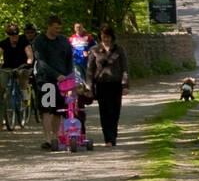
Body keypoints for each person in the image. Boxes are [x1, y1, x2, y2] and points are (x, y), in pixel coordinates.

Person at [30, 15, 75, 151]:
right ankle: (48, 139)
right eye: (55, 28)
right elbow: (41, 62)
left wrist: (69, 76)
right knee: (46, 109)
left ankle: (56, 137)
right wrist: (56, 75)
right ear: (48, 26)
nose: (58, 31)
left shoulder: (64, 41)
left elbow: (69, 60)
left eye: (59, 28)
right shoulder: (39, 41)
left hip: (63, 81)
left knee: (58, 110)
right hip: (46, 79)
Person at [85, 24, 128, 146]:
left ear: (112, 37)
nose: (106, 39)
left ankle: (113, 135)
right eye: (104, 37)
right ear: (100, 37)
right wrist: (89, 87)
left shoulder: (119, 50)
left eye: (108, 37)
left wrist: (125, 85)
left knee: (115, 112)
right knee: (104, 111)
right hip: (101, 85)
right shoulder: (94, 50)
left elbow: (124, 68)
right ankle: (108, 138)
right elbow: (89, 71)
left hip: (116, 85)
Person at [1, 24, 33, 121]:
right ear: (8, 35)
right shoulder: (4, 43)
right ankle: (3, 111)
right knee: (1, 85)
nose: (14, 36)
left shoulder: (24, 42)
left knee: (23, 74)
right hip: (8, 68)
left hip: (21, 66)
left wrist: (29, 61)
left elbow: (29, 54)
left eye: (15, 34)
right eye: (11, 34)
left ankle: (24, 94)